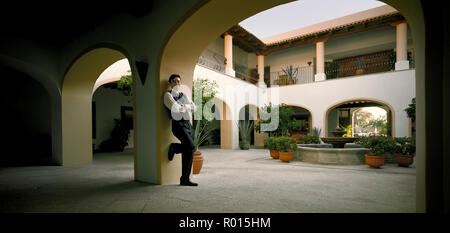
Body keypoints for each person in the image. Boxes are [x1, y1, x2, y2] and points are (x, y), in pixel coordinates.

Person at [163, 74, 198, 186]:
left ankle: (185, 179)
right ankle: (175, 147)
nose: (177, 83)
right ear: (170, 83)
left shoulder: (184, 95)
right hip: (177, 125)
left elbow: (194, 107)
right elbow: (175, 109)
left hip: (188, 124)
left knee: (190, 150)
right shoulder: (167, 95)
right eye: (174, 81)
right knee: (191, 146)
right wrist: (185, 106)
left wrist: (183, 106)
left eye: (178, 81)